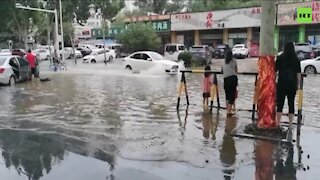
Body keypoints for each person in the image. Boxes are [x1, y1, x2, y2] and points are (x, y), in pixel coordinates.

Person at [276, 42, 301, 133]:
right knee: (291, 104)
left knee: (280, 104)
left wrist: (275, 82)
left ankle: (277, 123)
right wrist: (298, 85)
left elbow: (275, 71)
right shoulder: (296, 59)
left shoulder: (280, 58)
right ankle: (290, 124)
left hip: (281, 84)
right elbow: (298, 74)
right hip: (292, 85)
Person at [222, 50, 238, 116]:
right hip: (233, 78)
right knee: (232, 94)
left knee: (227, 95)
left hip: (225, 79)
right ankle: (229, 110)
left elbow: (221, 70)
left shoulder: (224, 61)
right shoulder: (234, 60)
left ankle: (227, 110)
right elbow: (236, 70)